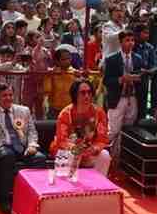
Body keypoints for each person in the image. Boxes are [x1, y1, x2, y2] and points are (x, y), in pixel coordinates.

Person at [0, 83, 45, 214]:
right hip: (3, 147)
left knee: (40, 158)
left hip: (22, 147)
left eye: (10, 95)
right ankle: (4, 200)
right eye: (4, 95)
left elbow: (32, 131)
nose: (8, 98)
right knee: (8, 156)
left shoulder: (24, 110)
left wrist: (32, 145)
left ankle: (34, 198)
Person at [49, 79, 111, 176]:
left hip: (89, 151)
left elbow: (102, 139)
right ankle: (69, 184)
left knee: (105, 155)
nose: (87, 96)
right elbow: (62, 140)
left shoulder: (99, 113)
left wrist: (95, 148)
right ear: (75, 95)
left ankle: (98, 184)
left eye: (89, 92)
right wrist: (75, 149)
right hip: (68, 151)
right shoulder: (65, 114)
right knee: (71, 155)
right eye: (83, 93)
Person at [103, 30, 144, 159]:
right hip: (118, 98)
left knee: (128, 130)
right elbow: (106, 81)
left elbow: (141, 78)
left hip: (132, 98)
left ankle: (120, 159)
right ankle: (104, 156)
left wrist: (137, 78)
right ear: (120, 42)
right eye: (127, 40)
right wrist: (121, 79)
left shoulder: (138, 58)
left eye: (132, 40)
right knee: (113, 130)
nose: (130, 43)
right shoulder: (111, 59)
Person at [43, 47, 77, 120]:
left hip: (70, 108)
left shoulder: (74, 73)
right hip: (55, 109)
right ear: (57, 61)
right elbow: (47, 90)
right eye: (64, 59)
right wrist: (49, 76)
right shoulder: (52, 73)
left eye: (69, 58)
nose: (67, 61)